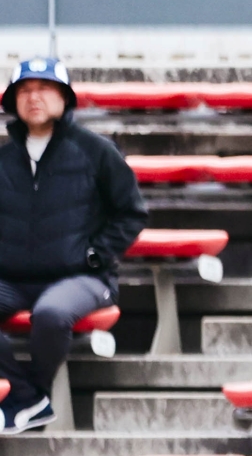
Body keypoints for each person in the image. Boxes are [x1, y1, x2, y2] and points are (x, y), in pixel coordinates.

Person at [0, 56, 147, 433]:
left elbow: (131, 213)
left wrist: (95, 255)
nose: (34, 97)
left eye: (44, 88)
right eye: (24, 91)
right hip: (13, 279)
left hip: (81, 277)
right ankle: (27, 399)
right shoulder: (4, 159)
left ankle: (34, 394)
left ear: (64, 97)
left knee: (51, 314)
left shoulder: (96, 151)